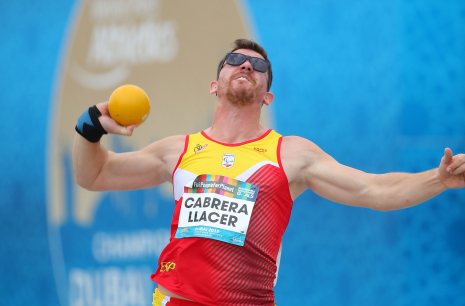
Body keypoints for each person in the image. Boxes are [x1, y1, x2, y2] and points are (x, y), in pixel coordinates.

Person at [73, 39, 465, 306]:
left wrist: (440, 179)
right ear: (215, 84)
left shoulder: (291, 154)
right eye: (235, 61)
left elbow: (374, 191)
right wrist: (90, 126)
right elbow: (94, 175)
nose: (246, 64)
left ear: (267, 94)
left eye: (258, 65)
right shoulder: (180, 149)